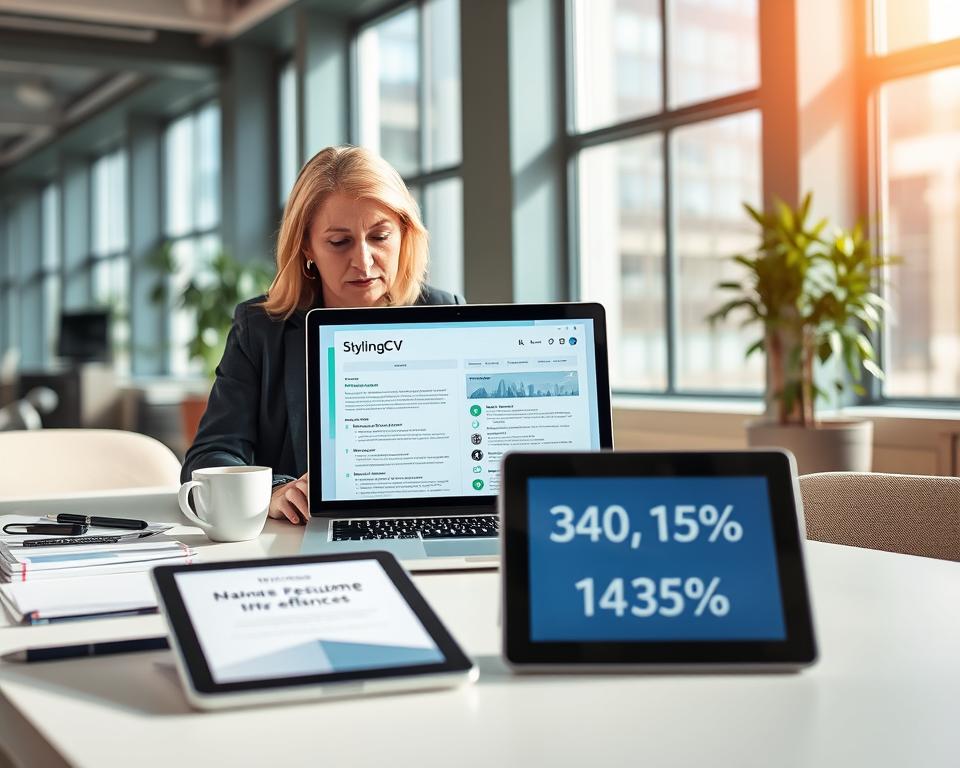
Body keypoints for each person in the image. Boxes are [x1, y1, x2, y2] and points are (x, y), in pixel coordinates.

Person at [180, 146, 464, 525]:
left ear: (404, 235)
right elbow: (209, 457)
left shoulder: (444, 312)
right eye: (339, 242)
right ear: (307, 246)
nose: (363, 261)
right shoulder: (262, 328)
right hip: (303, 534)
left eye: (380, 236)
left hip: (423, 519)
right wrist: (276, 490)